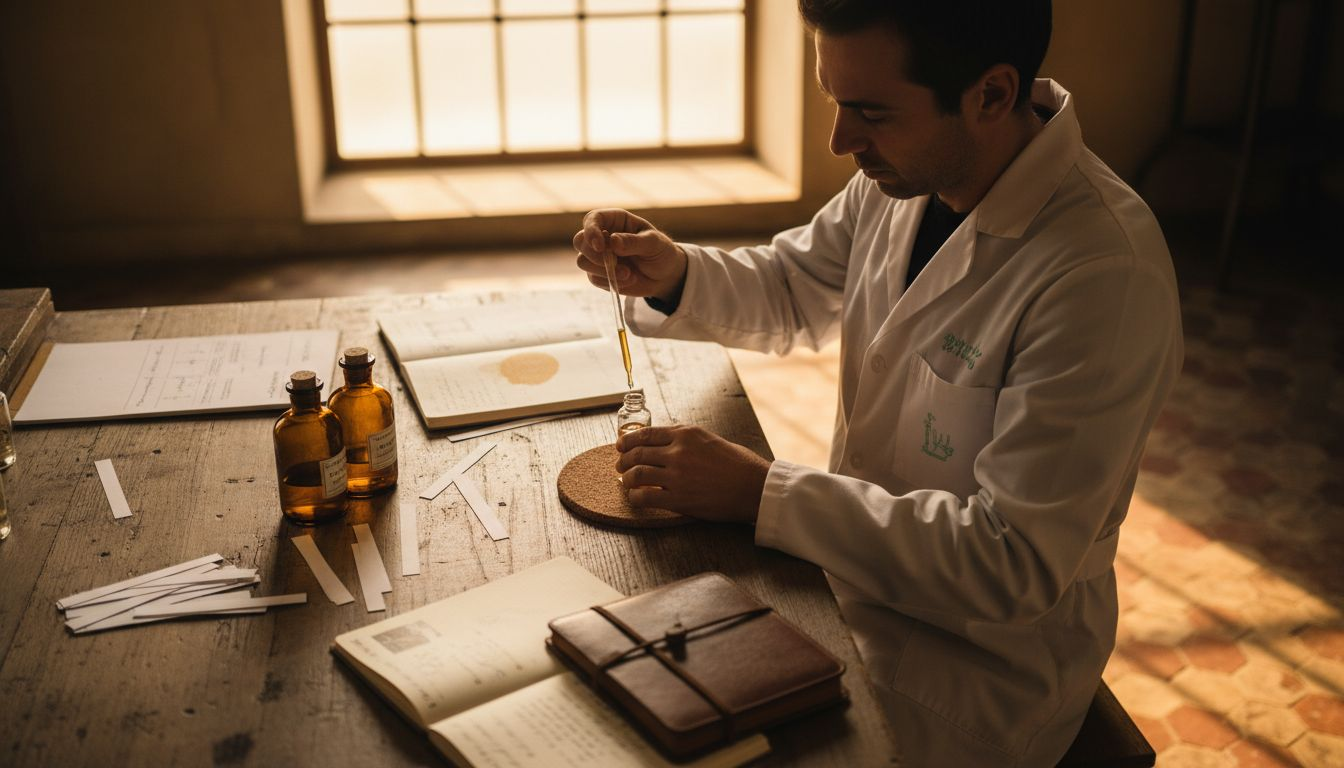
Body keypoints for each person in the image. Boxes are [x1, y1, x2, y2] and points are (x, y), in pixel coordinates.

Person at [573, 1, 1183, 765]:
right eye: (835, 102)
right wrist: (677, 275)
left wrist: (762, 493)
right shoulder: (910, 175)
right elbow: (798, 284)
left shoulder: (1100, 273)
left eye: (869, 113)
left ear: (992, 95)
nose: (840, 142)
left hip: (974, 666)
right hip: (844, 583)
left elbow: (1011, 563)